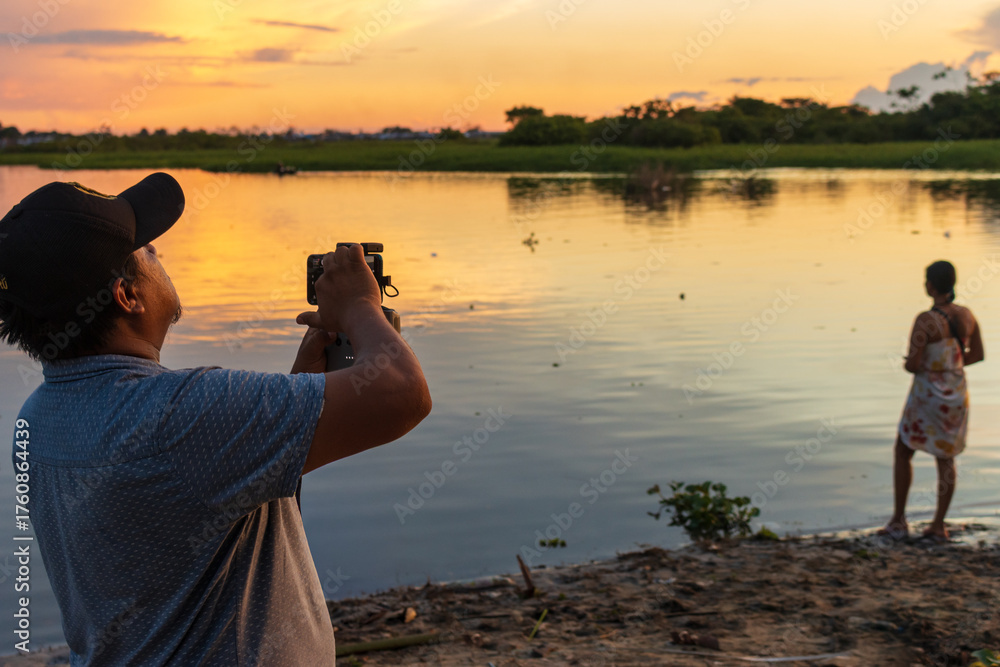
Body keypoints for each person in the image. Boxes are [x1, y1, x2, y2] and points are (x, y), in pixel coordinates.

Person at [0, 173, 431, 665]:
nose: (160, 257)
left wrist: (301, 385)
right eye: (150, 253)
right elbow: (403, 393)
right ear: (127, 295)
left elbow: (188, 497)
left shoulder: (36, 418)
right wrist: (359, 305)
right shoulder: (182, 413)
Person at [879, 260, 984, 542]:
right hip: (956, 393)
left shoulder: (926, 321)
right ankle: (938, 525)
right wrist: (949, 367)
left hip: (927, 395)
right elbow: (976, 355)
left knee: (903, 449)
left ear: (930, 285)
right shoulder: (967, 316)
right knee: (946, 458)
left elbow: (913, 365)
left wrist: (916, 364)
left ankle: (899, 520)